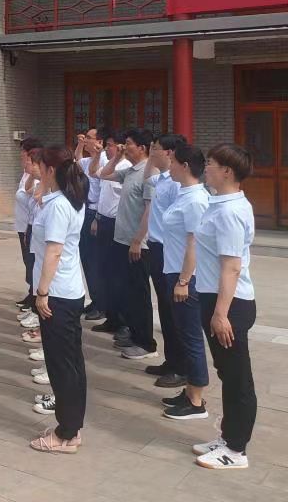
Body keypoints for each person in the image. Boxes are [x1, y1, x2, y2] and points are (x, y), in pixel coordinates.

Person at [192, 143, 256, 470]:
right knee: (227, 372)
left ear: (227, 171)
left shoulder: (230, 211)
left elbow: (231, 266)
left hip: (229, 304)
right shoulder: (220, 203)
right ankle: (228, 436)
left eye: (211, 163)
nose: (206, 168)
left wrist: (220, 314)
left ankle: (236, 450)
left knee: (237, 377)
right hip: (214, 297)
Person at [29, 146, 89, 455]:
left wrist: (42, 293)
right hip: (69, 291)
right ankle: (71, 427)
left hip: (57, 295)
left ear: (51, 170)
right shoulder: (69, 200)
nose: (36, 170)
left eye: (40, 166)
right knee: (71, 362)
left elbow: (53, 251)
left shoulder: (58, 206)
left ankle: (66, 433)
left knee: (62, 365)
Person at [160, 142, 210, 421]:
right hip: (174, 272)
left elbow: (195, 243)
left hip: (186, 277)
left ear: (185, 166)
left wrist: (184, 280)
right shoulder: (184, 194)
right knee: (183, 334)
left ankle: (196, 401)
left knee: (191, 337)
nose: (170, 166)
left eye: (173, 162)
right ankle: (190, 390)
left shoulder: (196, 200)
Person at [100, 128, 159, 360]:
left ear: (142, 148)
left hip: (137, 245)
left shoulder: (148, 173)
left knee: (139, 294)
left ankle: (146, 343)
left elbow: (149, 210)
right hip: (121, 240)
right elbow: (102, 174)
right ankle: (134, 334)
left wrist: (137, 240)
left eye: (128, 143)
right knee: (126, 291)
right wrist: (117, 157)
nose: (124, 147)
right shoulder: (130, 171)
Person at [144, 133, 187, 388]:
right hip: (156, 248)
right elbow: (146, 177)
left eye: (156, 149)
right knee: (164, 308)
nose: (152, 152)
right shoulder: (162, 179)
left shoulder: (176, 185)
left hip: (168, 251)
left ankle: (182, 368)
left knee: (174, 312)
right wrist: (151, 157)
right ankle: (171, 361)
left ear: (169, 153)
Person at [88, 130, 129, 335]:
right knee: (104, 271)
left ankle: (122, 321)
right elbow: (94, 172)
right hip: (103, 221)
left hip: (117, 225)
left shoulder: (126, 167)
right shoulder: (110, 165)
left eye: (111, 145)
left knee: (117, 275)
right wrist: (97, 218)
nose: (107, 148)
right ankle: (111, 317)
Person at [75, 127, 107, 319]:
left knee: (95, 260)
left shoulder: (105, 162)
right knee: (86, 259)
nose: (85, 140)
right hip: (85, 209)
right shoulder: (87, 161)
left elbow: (104, 193)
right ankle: (94, 299)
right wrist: (80, 145)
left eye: (89, 138)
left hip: (95, 212)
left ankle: (101, 304)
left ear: (99, 142)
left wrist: (97, 218)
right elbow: (78, 161)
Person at [15, 136, 44, 310]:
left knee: (33, 263)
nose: (22, 156)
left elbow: (32, 195)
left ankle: (35, 299)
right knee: (28, 262)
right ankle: (31, 293)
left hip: (33, 224)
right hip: (24, 224)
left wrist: (32, 174)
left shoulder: (39, 175)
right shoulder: (27, 173)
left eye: (24, 152)